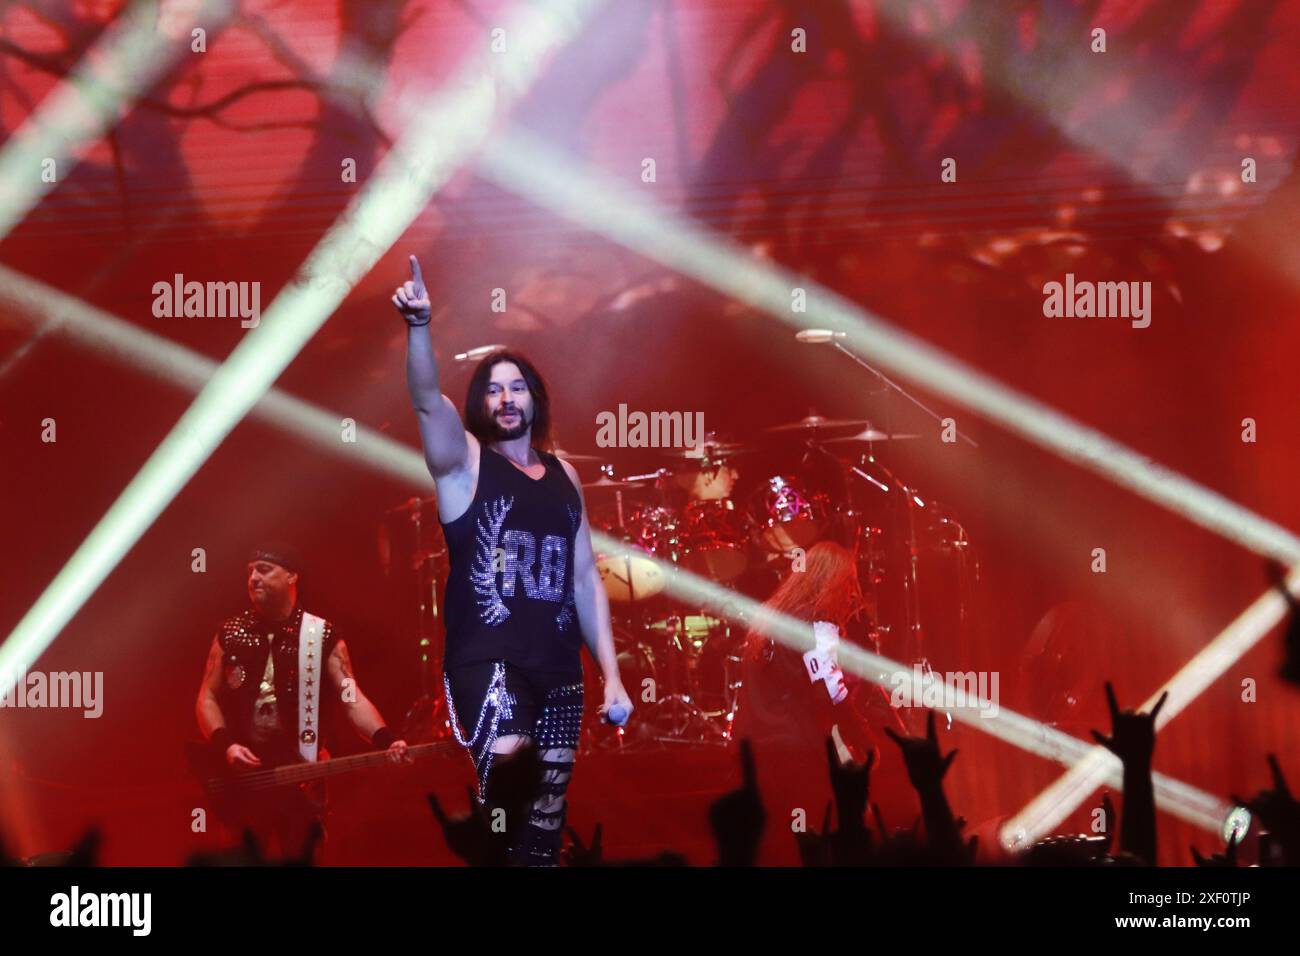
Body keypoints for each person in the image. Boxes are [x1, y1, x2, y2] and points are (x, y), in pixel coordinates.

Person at [394, 255, 632, 866]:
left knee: (546, 822)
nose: (506, 397)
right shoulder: (465, 463)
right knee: (505, 804)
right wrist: (420, 328)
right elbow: (425, 403)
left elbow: (583, 578)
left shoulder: (565, 477)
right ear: (481, 402)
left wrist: (613, 673)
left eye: (517, 386)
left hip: (559, 670)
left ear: (535, 399)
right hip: (489, 663)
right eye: (494, 387)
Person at [194, 545, 409, 858]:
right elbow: (206, 697)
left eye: (264, 570)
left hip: (301, 778)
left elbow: (352, 699)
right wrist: (226, 745)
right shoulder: (229, 634)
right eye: (250, 571)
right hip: (243, 779)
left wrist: (386, 739)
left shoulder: (320, 635)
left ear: (292, 577)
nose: (253, 578)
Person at [733, 540, 908, 862]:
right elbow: (829, 688)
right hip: (797, 747)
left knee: (778, 841)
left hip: (756, 744)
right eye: (848, 583)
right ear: (836, 581)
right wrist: (863, 738)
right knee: (823, 832)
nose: (851, 594)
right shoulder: (817, 620)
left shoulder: (770, 616)